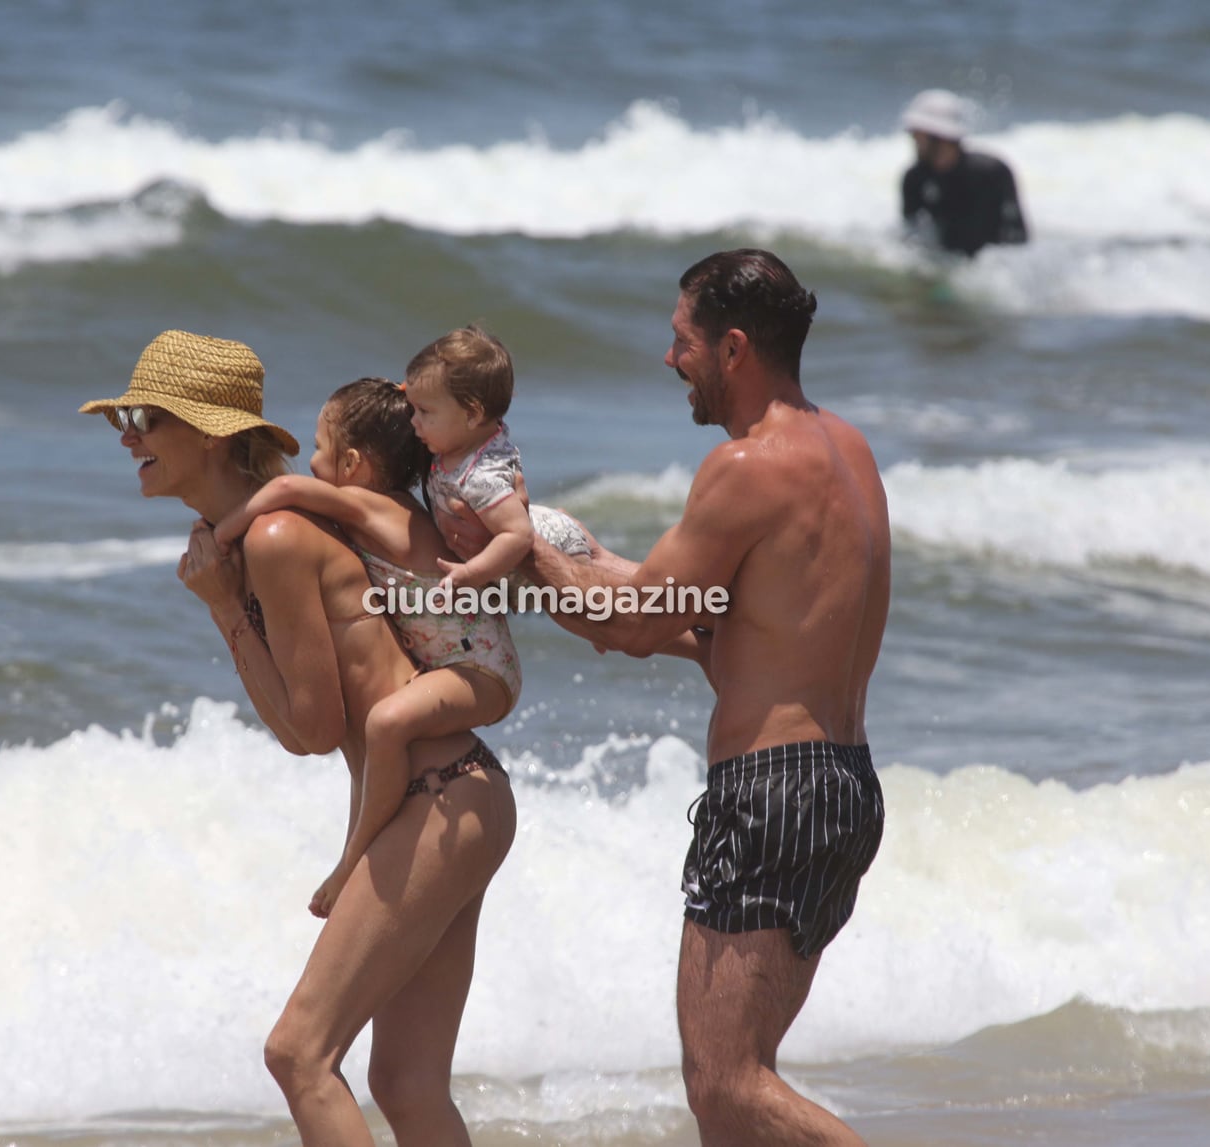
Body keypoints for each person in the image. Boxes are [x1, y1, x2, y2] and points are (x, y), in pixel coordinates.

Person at [81, 331, 516, 1147]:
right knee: (406, 1083)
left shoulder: (276, 539)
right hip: (461, 794)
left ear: (208, 433)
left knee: (299, 1053)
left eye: (143, 417)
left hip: (437, 799)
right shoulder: (267, 530)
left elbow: (312, 731)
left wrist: (220, 609)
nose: (126, 435)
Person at [493, 250, 890, 1145]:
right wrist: (582, 566)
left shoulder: (748, 466)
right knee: (740, 1096)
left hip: (773, 793)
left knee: (725, 1084)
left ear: (734, 347)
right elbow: (720, 628)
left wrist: (522, 545)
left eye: (682, 341)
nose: (669, 359)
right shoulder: (848, 452)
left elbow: (633, 626)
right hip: (839, 787)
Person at [212, 377, 521, 918]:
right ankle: (353, 851)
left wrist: (227, 531)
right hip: (462, 665)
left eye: (316, 447)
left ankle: (351, 859)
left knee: (383, 725)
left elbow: (286, 492)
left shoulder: (379, 509)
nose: (308, 463)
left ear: (352, 463)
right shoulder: (387, 514)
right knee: (373, 751)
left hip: (479, 670)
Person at [405, 325, 591, 590]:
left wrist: (471, 573)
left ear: (472, 415)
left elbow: (518, 535)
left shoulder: (482, 476)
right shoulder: (457, 440)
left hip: (561, 547)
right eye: (413, 407)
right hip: (533, 534)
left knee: (589, 614)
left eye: (423, 410)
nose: (413, 421)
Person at [900, 88, 1028, 257]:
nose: (914, 139)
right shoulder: (914, 179)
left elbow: (1018, 236)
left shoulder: (992, 172)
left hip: (991, 270)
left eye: (918, 134)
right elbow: (911, 235)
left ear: (940, 138)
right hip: (945, 266)